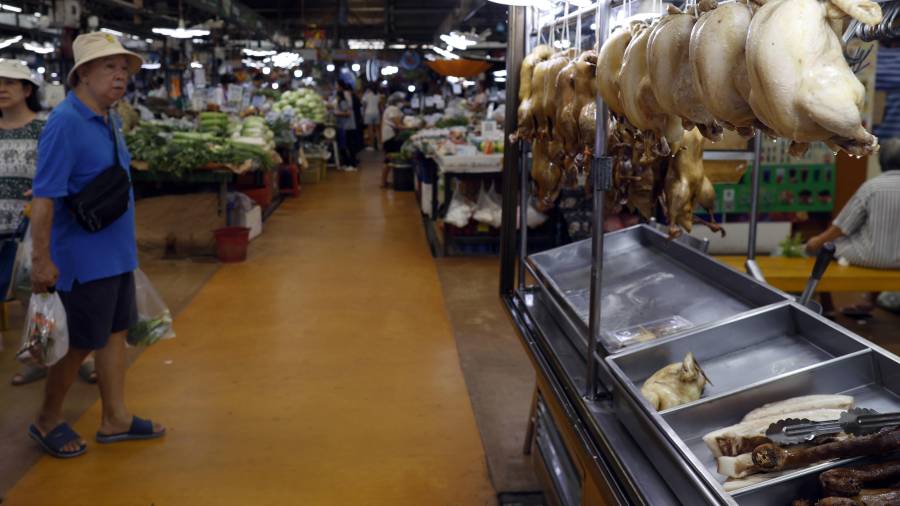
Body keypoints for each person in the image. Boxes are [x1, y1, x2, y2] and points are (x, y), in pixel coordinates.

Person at [29, 32, 165, 459]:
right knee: (80, 342)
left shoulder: (109, 117)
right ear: (82, 73)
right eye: (109, 67)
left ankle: (116, 418)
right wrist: (41, 260)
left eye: (124, 68)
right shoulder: (65, 123)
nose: (120, 75)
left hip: (115, 254)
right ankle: (47, 419)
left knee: (113, 335)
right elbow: (45, 197)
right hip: (81, 259)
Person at [806, 137, 900, 317]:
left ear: (882, 161)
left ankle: (827, 308)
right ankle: (870, 301)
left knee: (826, 249)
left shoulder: (872, 187)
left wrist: (815, 242)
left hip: (870, 257)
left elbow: (842, 227)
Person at [381, 92, 406, 189]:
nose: (403, 103)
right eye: (401, 101)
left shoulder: (391, 109)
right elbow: (398, 124)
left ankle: (384, 181)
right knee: (389, 158)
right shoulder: (393, 109)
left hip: (389, 136)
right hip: (390, 136)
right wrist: (411, 126)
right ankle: (383, 182)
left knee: (389, 158)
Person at [334, 80, 359, 171]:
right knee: (346, 145)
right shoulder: (345, 95)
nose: (335, 87)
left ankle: (352, 164)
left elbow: (347, 112)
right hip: (345, 125)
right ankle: (348, 163)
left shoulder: (344, 96)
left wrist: (336, 113)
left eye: (336, 85)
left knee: (349, 145)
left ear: (341, 86)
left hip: (347, 125)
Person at [361, 85, 382, 149]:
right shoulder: (378, 95)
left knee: (370, 130)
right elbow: (379, 105)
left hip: (368, 113)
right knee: (377, 130)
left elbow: (364, 105)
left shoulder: (367, 95)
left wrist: (363, 114)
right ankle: (379, 145)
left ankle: (372, 146)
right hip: (376, 113)